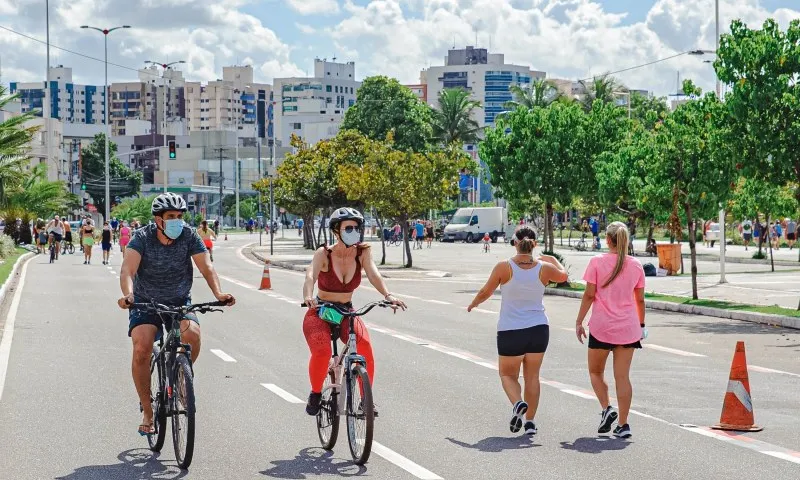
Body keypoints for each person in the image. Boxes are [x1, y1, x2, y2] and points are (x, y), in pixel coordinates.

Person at [117, 192, 235, 436]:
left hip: (180, 301)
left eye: (180, 216)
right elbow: (127, 269)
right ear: (158, 219)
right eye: (171, 216)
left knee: (192, 335)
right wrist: (129, 295)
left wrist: (219, 292)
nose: (177, 221)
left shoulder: (189, 236)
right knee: (142, 347)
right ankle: (148, 411)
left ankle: (181, 375)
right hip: (145, 304)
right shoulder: (142, 237)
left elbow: (206, 266)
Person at [302, 207, 406, 416]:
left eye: (357, 227)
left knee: (364, 346)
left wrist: (388, 296)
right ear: (336, 231)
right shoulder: (324, 253)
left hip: (346, 311)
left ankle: (365, 400)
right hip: (320, 310)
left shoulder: (362, 252)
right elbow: (310, 275)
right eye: (348, 227)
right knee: (322, 352)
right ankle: (315, 393)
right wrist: (308, 296)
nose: (354, 231)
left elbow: (374, 275)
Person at [467, 227, 568, 435]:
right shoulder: (544, 267)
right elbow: (563, 276)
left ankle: (518, 403)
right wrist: (551, 258)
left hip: (511, 329)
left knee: (507, 374)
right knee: (532, 376)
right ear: (534, 244)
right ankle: (530, 422)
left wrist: (474, 303)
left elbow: (486, 290)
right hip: (539, 328)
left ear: (514, 243)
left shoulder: (504, 267)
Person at [575, 222, 645, 439]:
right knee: (622, 377)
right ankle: (624, 425)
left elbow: (589, 295)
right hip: (628, 328)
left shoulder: (596, 262)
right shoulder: (636, 265)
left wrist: (579, 321)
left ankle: (607, 409)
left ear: (607, 240)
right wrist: (641, 326)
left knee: (596, 372)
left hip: (602, 327)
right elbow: (640, 300)